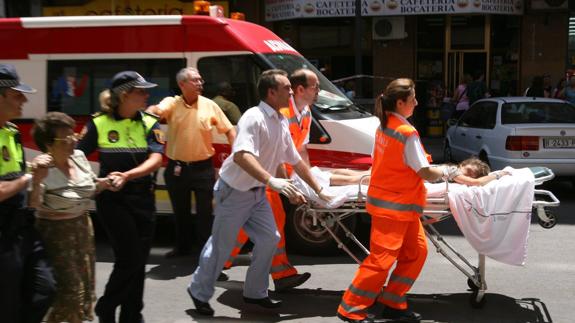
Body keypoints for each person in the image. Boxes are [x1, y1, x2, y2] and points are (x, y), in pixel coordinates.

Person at [187, 69, 332, 316]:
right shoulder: (253, 118)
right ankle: (199, 291)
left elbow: (293, 159)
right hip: (234, 191)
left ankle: (255, 292)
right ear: (271, 92)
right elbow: (243, 156)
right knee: (221, 246)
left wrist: (315, 189)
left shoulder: (280, 119)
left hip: (256, 192)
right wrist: (272, 181)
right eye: (286, 88)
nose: (291, 92)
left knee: (270, 238)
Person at [337, 78, 448, 323]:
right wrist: (449, 172)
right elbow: (424, 172)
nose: (417, 103)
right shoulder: (406, 132)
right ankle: (351, 308)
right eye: (413, 99)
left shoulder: (386, 126)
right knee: (381, 260)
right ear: (400, 103)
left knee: (417, 252)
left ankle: (393, 299)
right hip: (394, 208)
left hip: (398, 206)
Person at [77, 71, 164, 323]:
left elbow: (156, 158)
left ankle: (131, 314)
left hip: (143, 199)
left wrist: (127, 175)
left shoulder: (149, 122)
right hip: (113, 200)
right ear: (124, 95)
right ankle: (106, 307)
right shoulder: (98, 123)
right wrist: (94, 182)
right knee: (131, 258)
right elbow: (77, 156)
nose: (147, 95)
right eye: (141, 91)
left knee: (138, 261)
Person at [223, 68, 320, 291]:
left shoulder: (305, 113)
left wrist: (306, 178)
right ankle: (281, 275)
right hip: (265, 175)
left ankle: (219, 261)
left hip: (279, 177)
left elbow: (300, 151)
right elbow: (271, 155)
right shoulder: (277, 113)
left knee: (242, 226)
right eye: (316, 86)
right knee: (274, 222)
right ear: (300, 89)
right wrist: (283, 184)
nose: (318, 91)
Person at [29, 112, 112, 323]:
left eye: (73, 134)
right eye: (65, 138)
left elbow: (90, 187)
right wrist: (37, 180)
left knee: (84, 286)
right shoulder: (41, 168)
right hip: (55, 235)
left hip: (82, 228)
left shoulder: (79, 157)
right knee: (67, 291)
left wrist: (107, 182)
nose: (74, 140)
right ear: (48, 144)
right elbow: (33, 204)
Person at [147, 67, 236, 258]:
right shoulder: (172, 103)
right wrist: (150, 111)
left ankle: (207, 255)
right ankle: (182, 248)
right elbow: (158, 110)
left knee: (205, 215)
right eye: (195, 80)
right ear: (182, 84)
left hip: (203, 168)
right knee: (180, 212)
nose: (200, 83)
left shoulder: (209, 105)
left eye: (200, 80)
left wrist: (236, 151)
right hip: (177, 168)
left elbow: (229, 130)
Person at [0, 64, 56, 323]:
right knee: (8, 304)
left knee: (44, 290)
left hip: (22, 228)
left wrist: (34, 201)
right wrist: (29, 177)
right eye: (16, 94)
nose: (24, 99)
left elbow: (23, 181)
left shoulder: (11, 133)